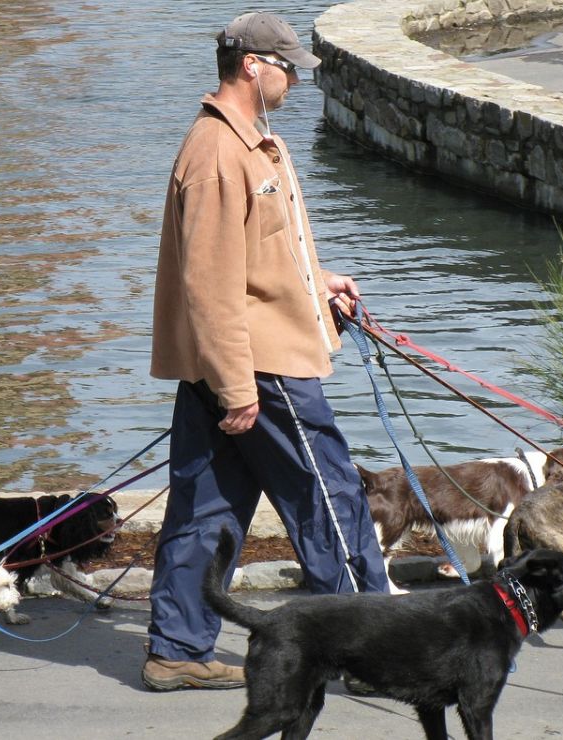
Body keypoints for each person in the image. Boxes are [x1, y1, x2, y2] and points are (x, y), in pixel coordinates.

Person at [143, 10, 390, 692]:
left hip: (233, 365)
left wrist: (319, 283)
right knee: (331, 501)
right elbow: (212, 286)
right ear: (253, 65)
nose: (295, 80)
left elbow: (261, 255)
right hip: (259, 368)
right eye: (288, 68)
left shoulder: (247, 143)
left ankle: (178, 649)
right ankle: (366, 652)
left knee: (205, 510)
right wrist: (239, 387)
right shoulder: (221, 155)